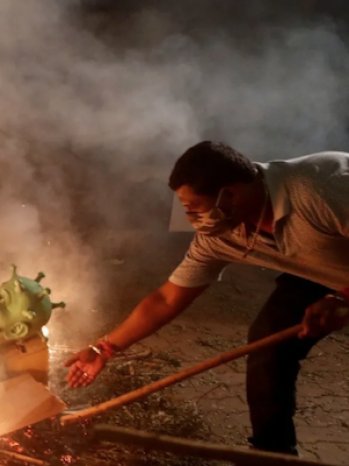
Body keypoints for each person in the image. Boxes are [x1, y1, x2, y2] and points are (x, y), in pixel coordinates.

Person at [65, 142, 349, 456]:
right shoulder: (223, 234)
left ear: (230, 195)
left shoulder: (321, 189)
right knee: (269, 342)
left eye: (194, 209)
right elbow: (167, 298)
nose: (191, 220)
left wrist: (342, 297)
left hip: (340, 271)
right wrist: (104, 348)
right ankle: (271, 456)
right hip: (324, 270)